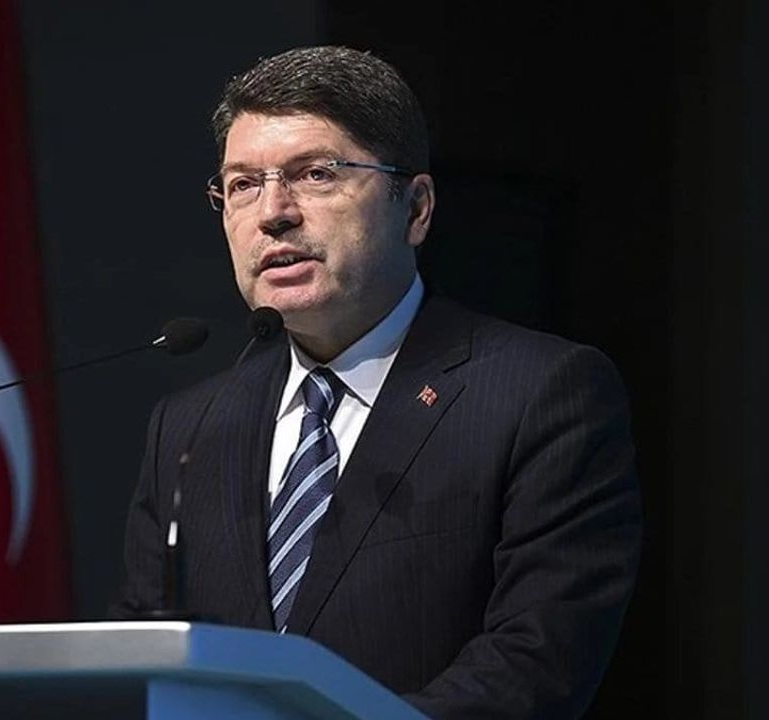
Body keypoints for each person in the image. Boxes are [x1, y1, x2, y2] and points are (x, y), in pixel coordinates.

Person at [111, 46, 642, 719]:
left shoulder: (542, 394)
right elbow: (143, 663)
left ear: (415, 208)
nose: (272, 212)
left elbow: (533, 667)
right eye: (243, 185)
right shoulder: (188, 428)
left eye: (315, 174)